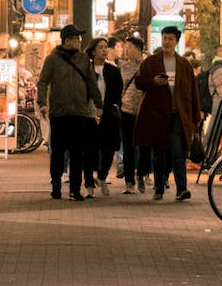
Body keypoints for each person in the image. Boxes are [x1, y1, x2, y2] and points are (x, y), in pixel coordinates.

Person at [132, 24, 201, 201]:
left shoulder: (184, 64)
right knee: (158, 152)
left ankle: (182, 188)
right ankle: (159, 187)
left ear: (176, 42)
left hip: (177, 114)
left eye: (171, 38)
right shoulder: (151, 62)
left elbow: (192, 92)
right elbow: (139, 82)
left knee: (178, 151)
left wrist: (195, 116)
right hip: (157, 114)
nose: (167, 41)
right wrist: (153, 82)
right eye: (165, 38)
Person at [36, 23, 102, 200]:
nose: (80, 41)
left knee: (77, 152)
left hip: (80, 111)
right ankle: (56, 185)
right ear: (66, 40)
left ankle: (75, 189)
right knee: (57, 153)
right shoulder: (52, 59)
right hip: (59, 112)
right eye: (77, 38)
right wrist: (42, 103)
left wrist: (99, 104)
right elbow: (43, 82)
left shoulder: (83, 59)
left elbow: (91, 82)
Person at [88, 36, 122, 191]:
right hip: (89, 113)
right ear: (93, 50)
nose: (104, 50)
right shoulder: (86, 69)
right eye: (100, 47)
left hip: (108, 114)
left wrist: (113, 106)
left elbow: (118, 92)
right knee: (90, 148)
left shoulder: (113, 70)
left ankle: (102, 176)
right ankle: (89, 182)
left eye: (105, 47)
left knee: (109, 148)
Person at [117, 34, 149, 193]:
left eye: (129, 48)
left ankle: (141, 174)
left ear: (138, 49)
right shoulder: (122, 67)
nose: (126, 51)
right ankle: (129, 182)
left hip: (144, 111)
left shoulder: (148, 66)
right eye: (125, 48)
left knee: (144, 146)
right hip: (126, 110)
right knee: (128, 146)